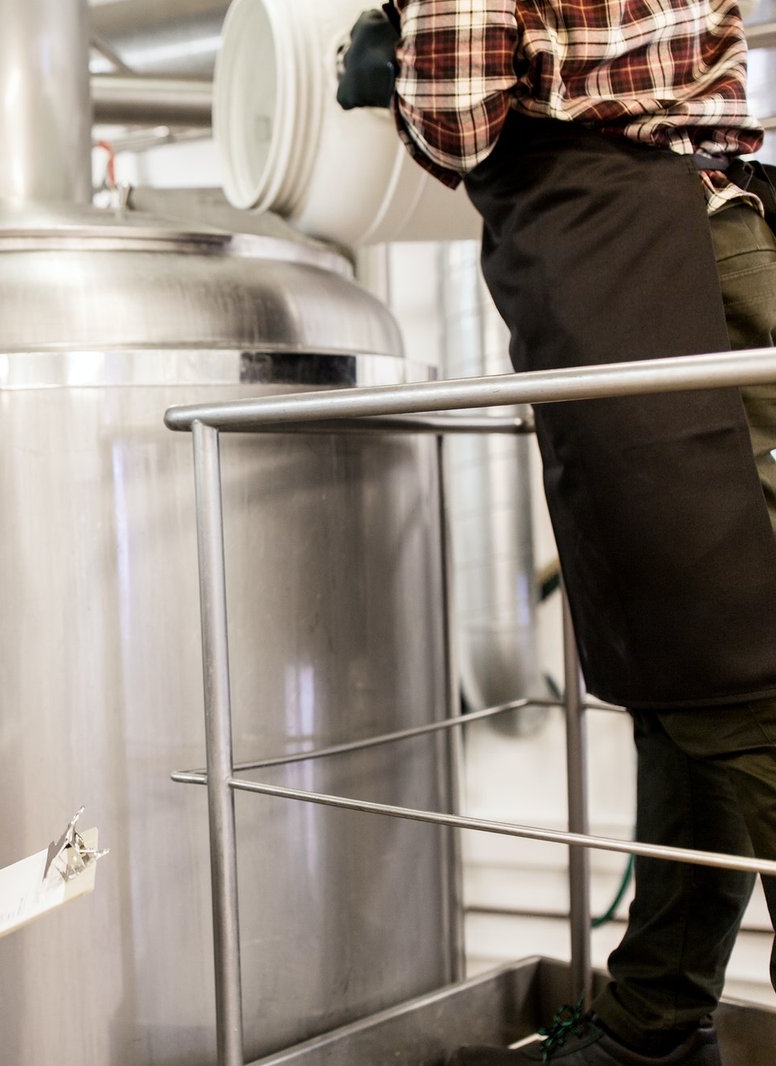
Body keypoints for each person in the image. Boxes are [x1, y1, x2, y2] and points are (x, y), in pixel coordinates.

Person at [339, 3, 776, 1064]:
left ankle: (654, 1024)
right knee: (690, 673)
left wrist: (387, 57)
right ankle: (653, 1022)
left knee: (722, 668)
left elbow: (457, 119)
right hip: (716, 232)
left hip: (622, 261)